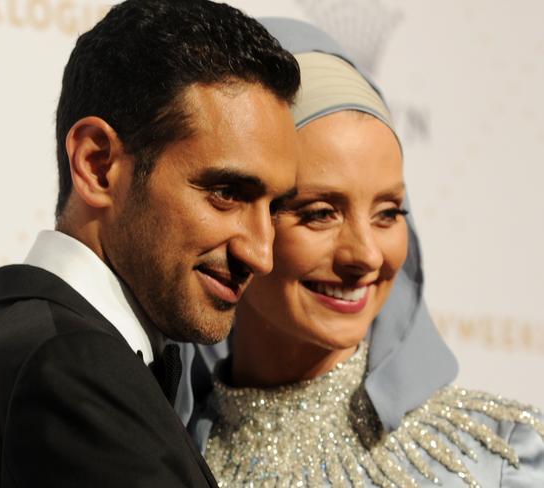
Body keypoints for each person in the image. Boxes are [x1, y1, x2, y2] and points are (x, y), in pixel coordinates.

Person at [0, 2, 302, 487]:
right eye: (225, 193)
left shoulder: (5, 356)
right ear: (97, 165)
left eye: (275, 207)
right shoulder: (69, 374)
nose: (261, 254)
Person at [200, 18, 544, 487]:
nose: (365, 256)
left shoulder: (498, 461)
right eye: (321, 213)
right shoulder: (150, 456)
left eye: (388, 213)